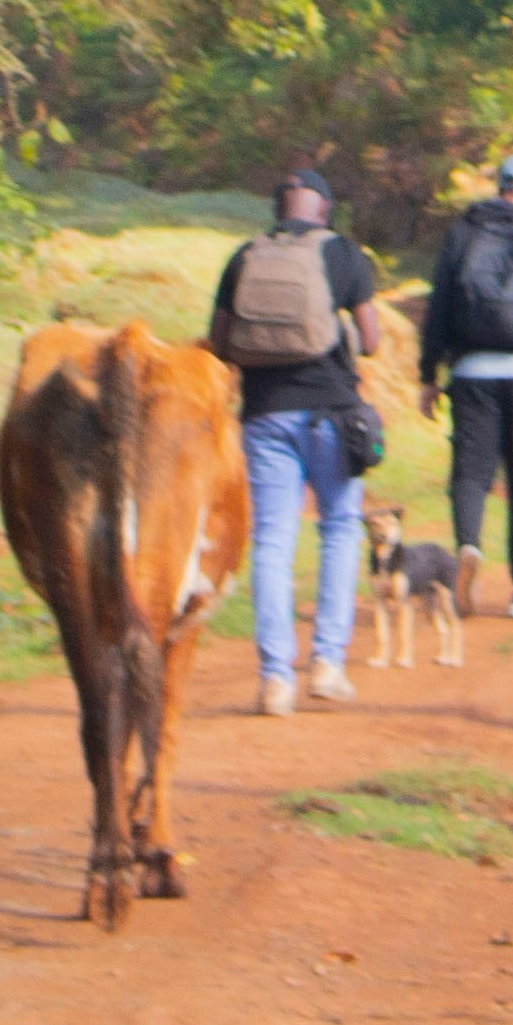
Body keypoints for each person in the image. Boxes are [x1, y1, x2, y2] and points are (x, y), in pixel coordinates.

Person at [209, 167, 381, 717]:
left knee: (273, 542)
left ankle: (274, 680)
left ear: (278, 209)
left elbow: (219, 341)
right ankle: (327, 664)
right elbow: (372, 339)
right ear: (323, 210)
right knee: (337, 529)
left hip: (264, 415)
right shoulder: (344, 255)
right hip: (332, 412)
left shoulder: (244, 256)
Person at [416, 152, 513, 620]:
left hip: (470, 371)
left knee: (470, 473)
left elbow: (439, 309)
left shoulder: (463, 234)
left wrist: (429, 375)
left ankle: (468, 546)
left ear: (500, 186)